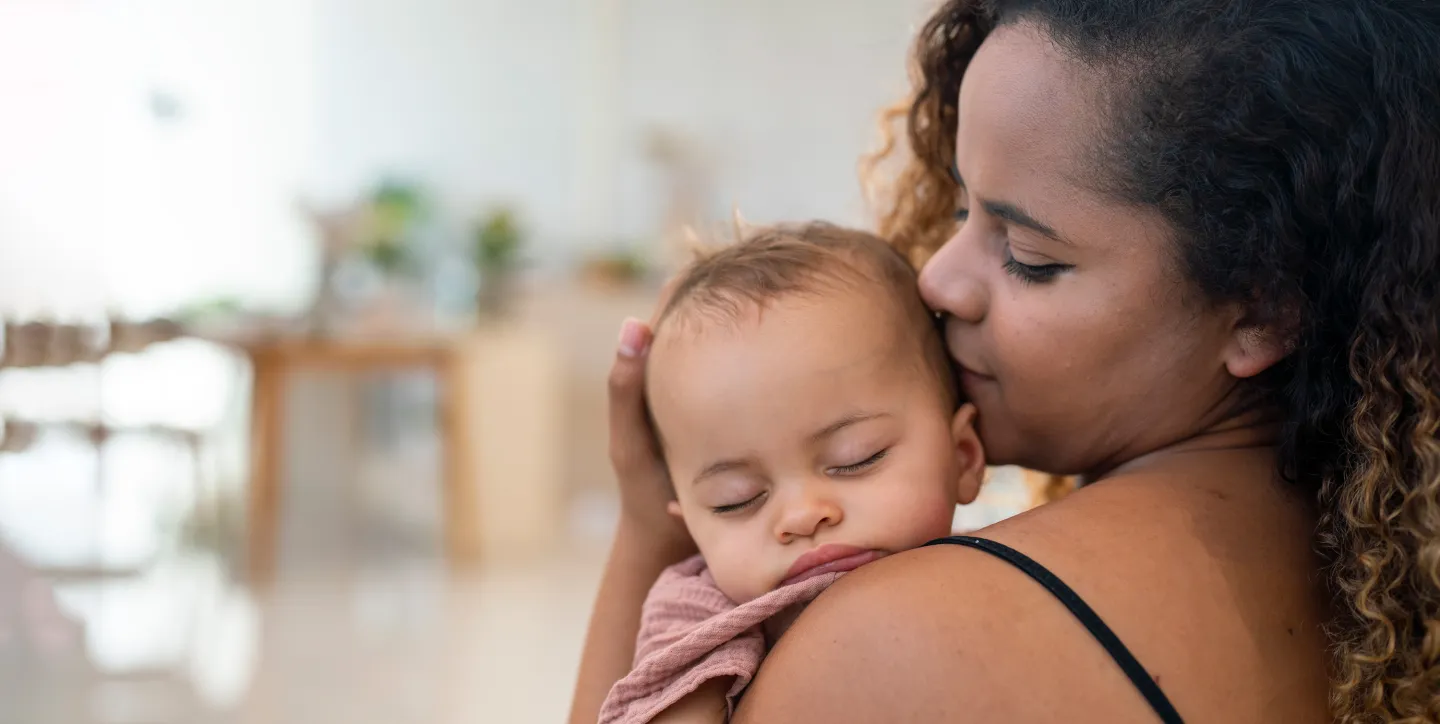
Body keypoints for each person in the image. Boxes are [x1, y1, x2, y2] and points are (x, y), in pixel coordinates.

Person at [571, 0, 1440, 721]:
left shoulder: (892, 646)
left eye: (1028, 255)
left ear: (1263, 307)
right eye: (958, 211)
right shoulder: (1391, 588)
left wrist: (651, 533)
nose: (940, 279)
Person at [597, 224, 985, 723]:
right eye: (735, 499)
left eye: (857, 458)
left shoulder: (997, 570)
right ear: (690, 524)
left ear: (964, 456)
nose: (802, 516)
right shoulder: (700, 617)